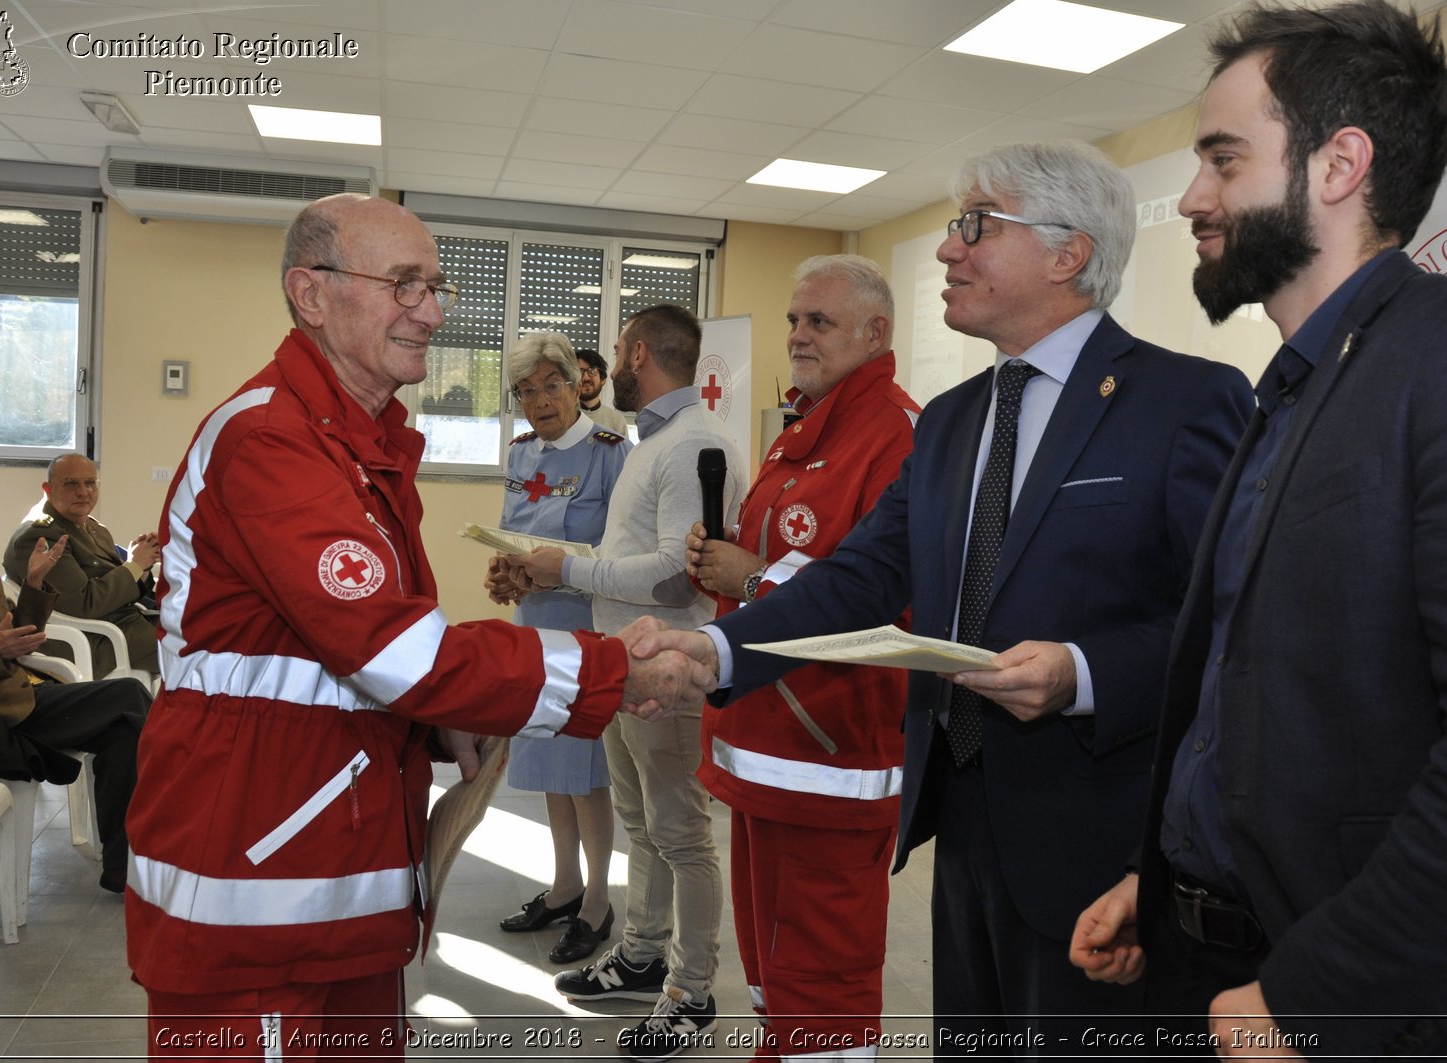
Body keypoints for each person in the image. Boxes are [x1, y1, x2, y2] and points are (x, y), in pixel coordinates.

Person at [636, 142, 1254, 1055]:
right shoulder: (959, 418)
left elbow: (1235, 624)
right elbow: (862, 575)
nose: (945, 250)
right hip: (962, 823)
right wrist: (718, 652)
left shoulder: (1186, 400)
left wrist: (1085, 673)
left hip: (1106, 847)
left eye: (973, 226)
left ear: (1066, 253)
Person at [123, 195, 711, 1058]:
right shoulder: (273, 440)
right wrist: (610, 671)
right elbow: (396, 651)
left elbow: (343, 648)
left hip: (335, 863)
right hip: (256, 882)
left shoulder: (358, 445)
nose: (434, 311)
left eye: (435, 286)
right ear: (311, 293)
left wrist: (434, 714)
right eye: (404, 284)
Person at [1068, 3, 1447, 1057]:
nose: (1191, 197)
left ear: (1338, 165)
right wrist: (1165, 875)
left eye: (1222, 161)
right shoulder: (1287, 392)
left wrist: (1321, 995)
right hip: (1212, 962)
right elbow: (1267, 693)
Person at [684, 254, 919, 1059]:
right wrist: (719, 556)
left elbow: (893, 597)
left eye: (817, 321)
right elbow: (779, 555)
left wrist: (751, 576)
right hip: (762, 750)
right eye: (793, 319)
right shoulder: (806, 425)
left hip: (831, 760)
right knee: (774, 980)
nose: (796, 336)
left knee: (825, 988)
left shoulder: (896, 435)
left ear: (874, 331)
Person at [510, 304, 744, 1062]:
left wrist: (567, 567)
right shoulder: (656, 442)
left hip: (669, 668)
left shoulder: (693, 444)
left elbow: (679, 580)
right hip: (623, 662)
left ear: (638, 354)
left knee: (681, 834)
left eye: (613, 352)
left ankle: (692, 990)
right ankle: (642, 951)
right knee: (642, 822)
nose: (604, 364)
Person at [486, 331, 629, 965]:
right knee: (547, 761)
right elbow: (514, 534)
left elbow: (626, 553)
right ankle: (565, 883)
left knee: (586, 771)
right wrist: (505, 570)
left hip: (587, 627)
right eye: (526, 390)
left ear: (579, 385)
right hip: (535, 627)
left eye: (551, 385)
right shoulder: (521, 457)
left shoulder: (611, 456)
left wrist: (558, 569)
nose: (539, 401)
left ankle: (598, 901)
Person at [0, 472, 149, 894]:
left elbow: (20, 633)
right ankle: (170, 837)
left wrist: (33, 584)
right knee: (128, 693)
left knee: (123, 729)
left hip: (24, 693)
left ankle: (125, 870)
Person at [3, 453, 160, 677]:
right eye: (71, 484)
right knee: (202, 649)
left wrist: (143, 562)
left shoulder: (93, 527)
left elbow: (119, 587)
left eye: (89, 483)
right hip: (98, 640)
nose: (83, 492)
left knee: (209, 629)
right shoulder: (41, 536)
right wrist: (134, 565)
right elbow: (84, 604)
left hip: (128, 623)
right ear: (48, 489)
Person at [576, 347, 630, 436]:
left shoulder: (617, 422)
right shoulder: (563, 417)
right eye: (580, 371)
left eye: (592, 371)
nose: (585, 378)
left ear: (603, 379)